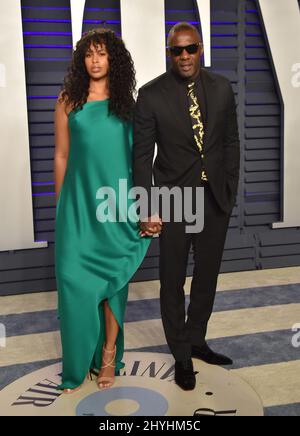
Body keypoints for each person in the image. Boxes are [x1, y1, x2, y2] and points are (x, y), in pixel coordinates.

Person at [133, 22, 240, 391]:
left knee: (207, 277)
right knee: (172, 281)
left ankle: (196, 339)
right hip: (173, 200)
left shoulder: (222, 88)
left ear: (200, 49)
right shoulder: (150, 96)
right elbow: (142, 158)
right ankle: (180, 354)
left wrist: (229, 188)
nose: (184, 56)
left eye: (190, 49)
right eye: (176, 51)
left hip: (214, 200)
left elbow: (230, 142)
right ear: (169, 54)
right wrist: (147, 207)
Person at [54, 28, 151, 393]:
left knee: (113, 284)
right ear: (82, 60)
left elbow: (140, 160)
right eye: (89, 54)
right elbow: (61, 155)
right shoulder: (68, 102)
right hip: (78, 208)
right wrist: (62, 204)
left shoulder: (127, 105)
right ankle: (77, 362)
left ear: (114, 60)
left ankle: (109, 354)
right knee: (73, 282)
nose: (95, 60)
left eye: (102, 54)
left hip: (117, 207)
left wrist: (145, 204)